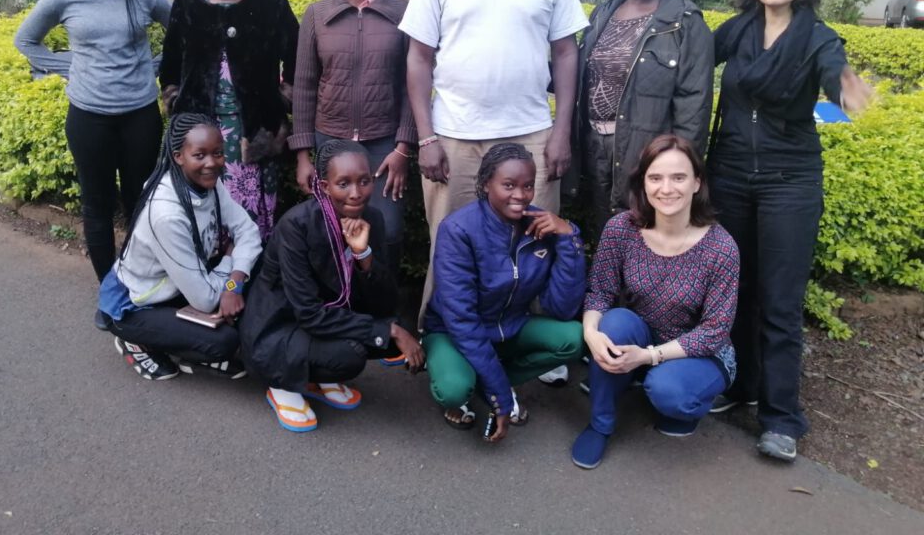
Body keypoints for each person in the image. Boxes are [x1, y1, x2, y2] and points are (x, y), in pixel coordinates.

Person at [706, 0, 872, 462]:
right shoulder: (737, 31)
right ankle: (739, 387)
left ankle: (780, 418)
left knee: (779, 302)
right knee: (737, 290)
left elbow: (832, 72)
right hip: (729, 175)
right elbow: (691, 63)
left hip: (789, 183)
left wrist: (843, 85)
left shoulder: (818, 37)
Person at [401, 0, 587, 329]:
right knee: (450, 242)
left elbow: (566, 53)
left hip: (531, 136)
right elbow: (418, 59)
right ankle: (443, 333)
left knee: (537, 240)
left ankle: (540, 342)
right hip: (455, 138)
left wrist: (561, 130)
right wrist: (426, 138)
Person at [15, 0, 171, 281]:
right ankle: (109, 284)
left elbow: (183, 32)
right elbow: (25, 40)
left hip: (140, 116)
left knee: (140, 201)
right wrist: (70, 67)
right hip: (89, 117)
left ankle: (139, 274)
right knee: (96, 204)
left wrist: (155, 65)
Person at [571, 135, 740, 469]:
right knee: (612, 323)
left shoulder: (721, 248)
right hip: (643, 332)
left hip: (701, 353)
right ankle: (600, 424)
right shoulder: (622, 228)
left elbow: (714, 332)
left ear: (697, 183)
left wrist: (650, 357)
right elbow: (600, 291)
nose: (667, 188)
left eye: (678, 177)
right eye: (656, 177)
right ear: (643, 183)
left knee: (668, 392)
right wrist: (590, 333)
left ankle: (677, 403)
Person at [241, 140, 425, 433]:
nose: (356, 193)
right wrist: (387, 329)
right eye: (344, 183)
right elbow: (308, 313)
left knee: (388, 331)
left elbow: (385, 301)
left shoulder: (372, 218)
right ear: (325, 186)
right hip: (279, 326)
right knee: (353, 352)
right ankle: (282, 383)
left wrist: (364, 257)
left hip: (327, 313)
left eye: (364, 181)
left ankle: (317, 376)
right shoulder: (296, 226)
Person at [422, 143, 586, 443]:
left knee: (573, 338)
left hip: (507, 326)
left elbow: (561, 309)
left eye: (527, 186)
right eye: (508, 185)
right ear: (486, 184)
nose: (520, 195)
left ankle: (489, 378)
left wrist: (568, 240)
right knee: (454, 389)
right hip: (452, 331)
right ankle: (485, 380)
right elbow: (461, 320)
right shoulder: (458, 230)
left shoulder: (539, 226)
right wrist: (502, 397)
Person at [571, 0, 713, 245]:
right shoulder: (603, 12)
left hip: (646, 156)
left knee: (645, 241)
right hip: (595, 149)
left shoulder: (686, 24)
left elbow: (694, 111)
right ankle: (606, 298)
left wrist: (676, 173)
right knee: (603, 235)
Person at [289, 0, 415, 285]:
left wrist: (403, 148)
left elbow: (413, 85)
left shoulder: (403, 13)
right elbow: (304, 87)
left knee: (387, 232)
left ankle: (383, 313)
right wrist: (303, 155)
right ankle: (338, 309)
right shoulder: (317, 14)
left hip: (383, 146)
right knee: (330, 233)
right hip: (330, 142)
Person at [160, 0, 299, 241]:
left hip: (254, 128)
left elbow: (296, 53)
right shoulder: (188, 2)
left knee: (252, 214)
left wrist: (285, 96)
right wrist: (175, 99)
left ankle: (247, 279)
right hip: (200, 127)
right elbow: (170, 64)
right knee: (202, 207)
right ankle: (209, 280)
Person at [96, 113, 262, 381]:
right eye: (200, 155)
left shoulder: (209, 182)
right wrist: (231, 262)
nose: (212, 163)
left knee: (258, 265)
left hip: (186, 281)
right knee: (223, 342)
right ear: (178, 156)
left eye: (218, 153)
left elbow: (249, 231)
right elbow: (205, 299)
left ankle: (190, 339)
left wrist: (235, 284)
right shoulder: (166, 214)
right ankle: (136, 341)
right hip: (139, 304)